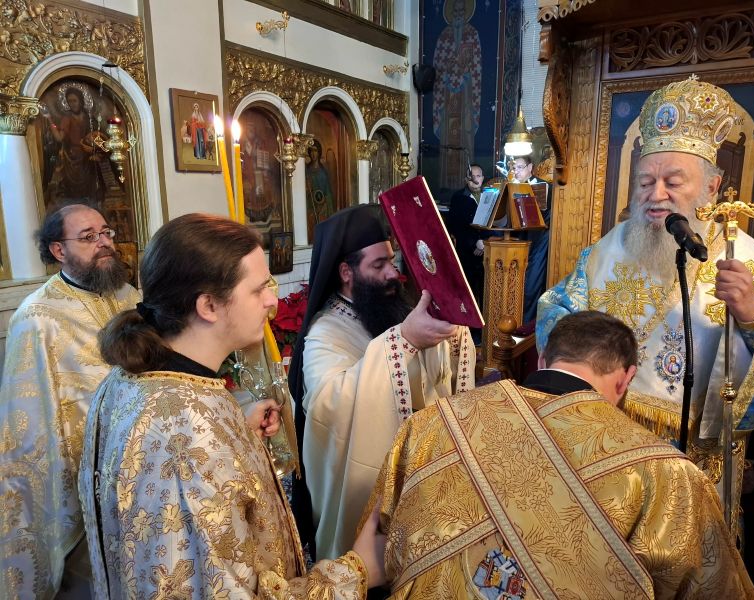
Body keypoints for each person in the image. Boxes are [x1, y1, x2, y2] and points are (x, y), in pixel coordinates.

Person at [536, 77, 754, 528]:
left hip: (692, 456)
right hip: (602, 433)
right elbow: (555, 308)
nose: (656, 195)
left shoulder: (747, 261)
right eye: (645, 182)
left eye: (673, 182)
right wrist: (580, 375)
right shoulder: (610, 249)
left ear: (712, 187)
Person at [77, 213, 385, 598]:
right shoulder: (189, 435)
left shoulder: (126, 380)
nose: (272, 300)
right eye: (258, 290)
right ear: (208, 305)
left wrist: (236, 435)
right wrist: (355, 572)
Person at [366, 311, 754, 599]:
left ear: (542, 360)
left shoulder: (433, 421)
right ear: (626, 379)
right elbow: (713, 586)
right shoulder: (664, 471)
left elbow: (378, 541)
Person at [289, 204, 476, 560]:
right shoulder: (326, 332)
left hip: (416, 469)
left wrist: (447, 334)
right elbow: (329, 405)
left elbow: (424, 374)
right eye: (378, 266)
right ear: (346, 272)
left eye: (392, 261)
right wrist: (403, 342)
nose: (393, 273)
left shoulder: (386, 307)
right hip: (367, 488)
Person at [0, 203, 140, 598]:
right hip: (84, 475)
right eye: (89, 237)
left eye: (106, 232)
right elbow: (27, 423)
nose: (104, 243)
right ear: (58, 250)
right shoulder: (36, 318)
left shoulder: (127, 295)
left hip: (140, 460)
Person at [432, 0, 481, 189]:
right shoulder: (444, 35)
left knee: (464, 135)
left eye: (462, 10)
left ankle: (463, 180)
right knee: (449, 138)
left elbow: (476, 67)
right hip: (448, 98)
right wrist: (448, 75)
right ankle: (446, 183)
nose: (459, 13)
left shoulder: (472, 34)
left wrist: (465, 76)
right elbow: (438, 66)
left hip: (465, 97)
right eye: (456, 10)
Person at [444, 163, 489, 321]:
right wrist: (475, 242)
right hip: (467, 252)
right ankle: (469, 325)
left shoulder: (490, 196)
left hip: (489, 251)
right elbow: (455, 226)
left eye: (478, 176)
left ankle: (485, 326)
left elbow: (495, 222)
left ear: (482, 178)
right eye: (471, 176)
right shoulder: (458, 198)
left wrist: (484, 242)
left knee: (486, 292)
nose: (475, 179)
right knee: (468, 292)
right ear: (466, 179)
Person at [510, 155, 551, 324]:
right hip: (518, 240)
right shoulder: (513, 187)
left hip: (538, 240)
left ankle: (527, 324)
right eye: (514, 168)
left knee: (531, 284)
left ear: (530, 167)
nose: (516, 171)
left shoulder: (543, 186)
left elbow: (546, 217)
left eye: (520, 167)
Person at [305, 139, 335, 241]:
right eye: (311, 151)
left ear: (319, 152)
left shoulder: (324, 171)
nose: (313, 154)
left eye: (316, 151)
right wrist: (307, 188)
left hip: (323, 207)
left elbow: (328, 192)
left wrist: (325, 204)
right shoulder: (306, 170)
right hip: (310, 205)